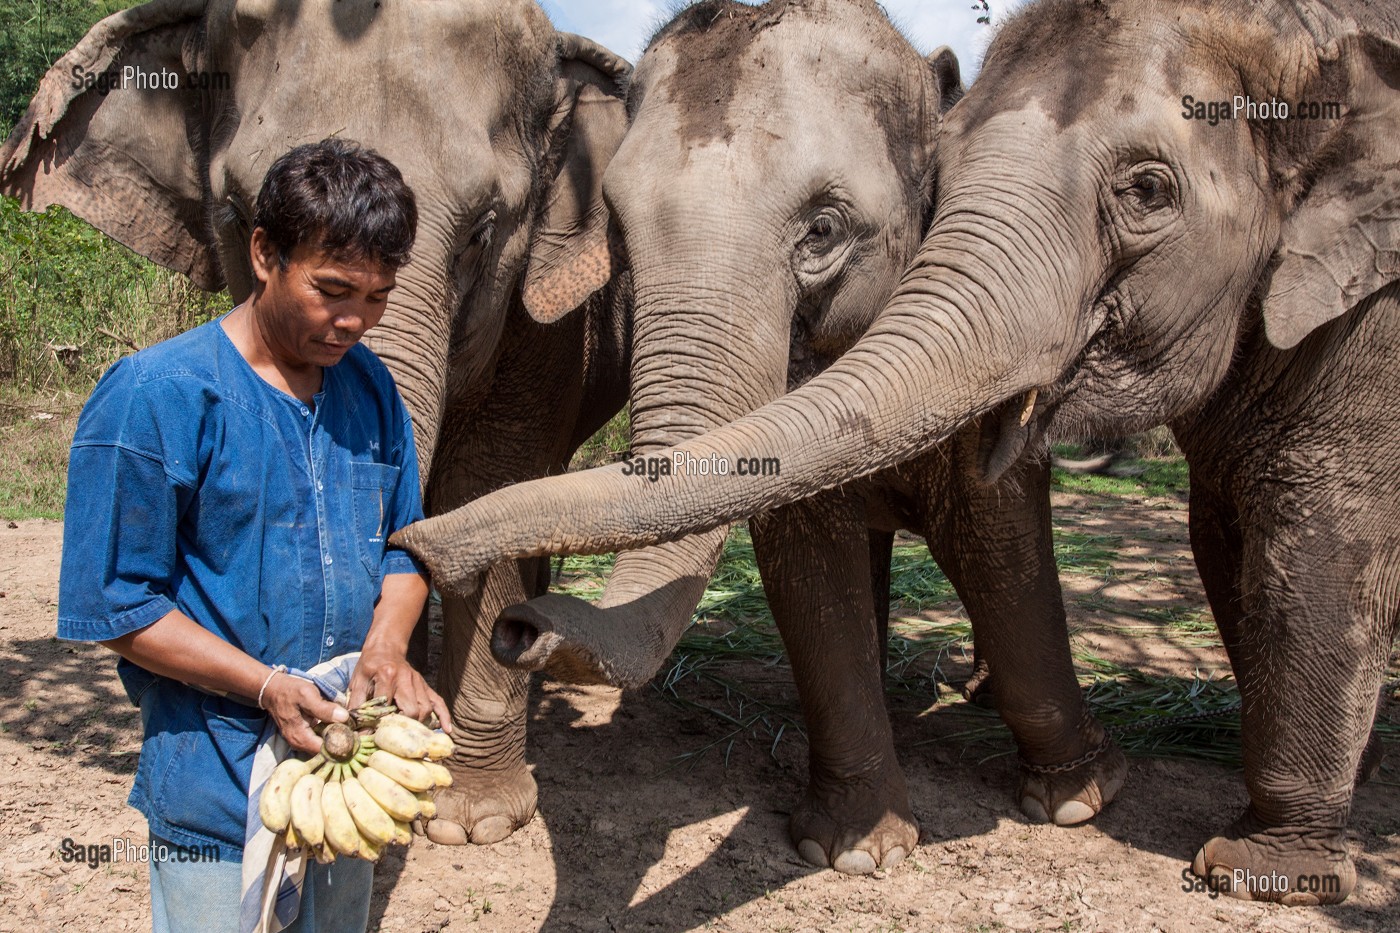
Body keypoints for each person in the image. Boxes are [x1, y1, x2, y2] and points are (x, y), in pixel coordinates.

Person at [56, 138, 451, 933]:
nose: (355, 320)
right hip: (215, 771)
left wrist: (386, 647)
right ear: (265, 253)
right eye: (333, 289)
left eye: (378, 296)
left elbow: (407, 543)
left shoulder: (369, 385)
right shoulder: (156, 395)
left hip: (347, 761)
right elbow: (118, 603)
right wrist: (267, 686)